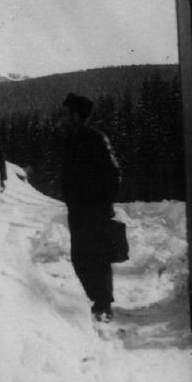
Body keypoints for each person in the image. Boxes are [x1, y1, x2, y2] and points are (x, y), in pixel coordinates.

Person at [61, 93, 121, 323]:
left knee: (98, 257)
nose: (62, 119)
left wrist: (106, 203)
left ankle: (104, 304)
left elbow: (114, 173)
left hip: (95, 210)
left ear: (76, 116)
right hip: (77, 211)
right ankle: (97, 299)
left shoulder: (97, 138)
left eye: (65, 114)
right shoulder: (70, 139)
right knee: (79, 257)